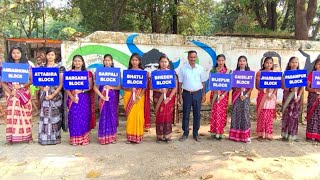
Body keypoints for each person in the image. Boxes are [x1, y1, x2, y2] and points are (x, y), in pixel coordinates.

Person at [1, 46, 33, 144]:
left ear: (21, 54)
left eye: (18, 52)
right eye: (13, 53)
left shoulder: (27, 65)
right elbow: (3, 82)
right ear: (11, 54)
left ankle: (28, 137)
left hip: (24, 93)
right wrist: (11, 92)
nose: (16, 54)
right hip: (11, 94)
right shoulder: (6, 66)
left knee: (26, 115)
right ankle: (11, 138)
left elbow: (31, 80)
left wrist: (21, 86)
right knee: (12, 115)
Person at [38, 48, 65, 145]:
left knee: (56, 116)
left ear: (55, 56)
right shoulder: (41, 67)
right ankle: (45, 138)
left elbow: (61, 83)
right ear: (46, 56)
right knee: (45, 115)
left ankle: (56, 137)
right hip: (44, 95)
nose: (50, 56)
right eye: (48, 54)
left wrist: (53, 94)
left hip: (56, 95)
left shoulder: (60, 68)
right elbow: (37, 81)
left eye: (52, 55)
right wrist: (42, 89)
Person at [178, 50, 206, 142]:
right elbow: (180, 83)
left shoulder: (201, 68)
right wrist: (179, 95)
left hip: (198, 93)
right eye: (191, 57)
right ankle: (185, 133)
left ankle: (195, 134)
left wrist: (204, 94)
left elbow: (203, 82)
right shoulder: (183, 69)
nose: (192, 59)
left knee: (197, 114)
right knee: (186, 114)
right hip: (186, 94)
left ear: (196, 58)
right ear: (188, 58)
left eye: (194, 57)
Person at [66, 55, 93, 146]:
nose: (77, 63)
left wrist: (81, 90)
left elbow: (90, 86)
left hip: (83, 98)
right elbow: (66, 88)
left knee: (83, 117)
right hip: (72, 98)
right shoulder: (69, 73)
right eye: (75, 61)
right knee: (74, 117)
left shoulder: (87, 73)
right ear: (73, 62)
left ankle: (84, 138)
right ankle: (75, 139)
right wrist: (72, 97)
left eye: (79, 61)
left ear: (82, 62)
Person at [93, 54, 120, 144]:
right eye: (106, 60)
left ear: (112, 61)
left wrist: (111, 88)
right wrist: (102, 96)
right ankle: (103, 137)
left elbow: (119, 87)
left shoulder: (116, 72)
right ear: (103, 61)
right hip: (103, 97)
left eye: (109, 60)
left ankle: (112, 137)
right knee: (103, 115)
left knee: (112, 115)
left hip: (113, 98)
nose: (107, 62)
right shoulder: (99, 72)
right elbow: (95, 87)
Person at [152, 55, 178, 143]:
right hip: (158, 98)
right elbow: (151, 86)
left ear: (168, 63)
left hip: (168, 99)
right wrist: (160, 90)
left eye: (165, 62)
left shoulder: (172, 73)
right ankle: (159, 136)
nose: (163, 63)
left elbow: (175, 87)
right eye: (162, 62)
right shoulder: (155, 73)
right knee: (159, 116)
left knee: (167, 116)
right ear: (159, 63)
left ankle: (167, 136)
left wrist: (169, 98)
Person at [123, 53, 148, 144]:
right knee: (130, 117)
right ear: (130, 61)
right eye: (133, 60)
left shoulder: (142, 72)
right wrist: (130, 89)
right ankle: (130, 137)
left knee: (138, 116)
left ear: (139, 61)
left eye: (136, 60)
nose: (134, 62)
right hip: (129, 95)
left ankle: (138, 136)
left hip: (139, 97)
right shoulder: (127, 72)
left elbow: (144, 87)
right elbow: (123, 86)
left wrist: (139, 96)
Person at [229, 56, 252, 143]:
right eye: (240, 61)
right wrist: (238, 89)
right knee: (236, 114)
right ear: (238, 63)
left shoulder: (249, 73)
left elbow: (251, 87)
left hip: (245, 97)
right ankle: (235, 136)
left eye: (244, 61)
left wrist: (245, 95)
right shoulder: (234, 73)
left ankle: (245, 136)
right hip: (236, 95)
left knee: (245, 114)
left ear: (246, 62)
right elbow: (231, 86)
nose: (242, 62)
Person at [209, 54, 232, 140]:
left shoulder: (228, 72)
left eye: (222, 60)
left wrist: (223, 95)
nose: (221, 62)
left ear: (224, 61)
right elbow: (211, 84)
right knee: (215, 112)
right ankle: (214, 131)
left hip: (224, 96)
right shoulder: (213, 71)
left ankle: (220, 132)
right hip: (215, 95)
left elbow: (229, 86)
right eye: (219, 60)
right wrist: (215, 91)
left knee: (221, 113)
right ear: (217, 61)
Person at [281, 57, 303, 142]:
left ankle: (293, 135)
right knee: (287, 115)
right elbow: (282, 86)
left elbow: (302, 87)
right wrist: (290, 90)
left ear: (298, 64)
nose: (294, 64)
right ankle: (285, 134)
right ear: (289, 63)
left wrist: (298, 96)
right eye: (292, 62)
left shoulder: (300, 74)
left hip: (296, 98)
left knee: (294, 116)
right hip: (288, 96)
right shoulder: (285, 74)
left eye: (296, 62)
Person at [255, 57, 277, 141]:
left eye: (270, 63)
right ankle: (261, 133)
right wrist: (265, 91)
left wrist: (272, 94)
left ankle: (268, 133)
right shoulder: (259, 73)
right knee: (262, 114)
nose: (268, 64)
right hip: (262, 95)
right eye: (267, 63)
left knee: (269, 114)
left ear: (272, 65)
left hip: (271, 97)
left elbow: (276, 86)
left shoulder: (275, 74)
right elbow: (257, 86)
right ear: (263, 64)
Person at [305, 58, 320, 142]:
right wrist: (315, 90)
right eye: (318, 64)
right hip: (313, 98)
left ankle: (318, 136)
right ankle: (310, 135)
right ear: (315, 65)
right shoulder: (311, 75)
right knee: (313, 116)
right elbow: (307, 88)